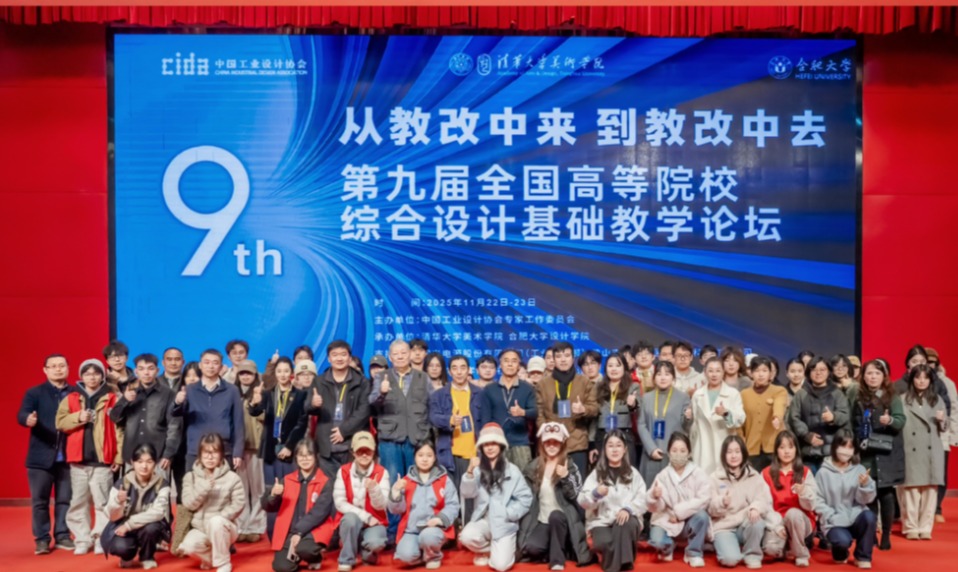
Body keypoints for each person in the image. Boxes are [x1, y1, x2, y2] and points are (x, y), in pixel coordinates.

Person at [55, 358, 123, 555]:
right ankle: (82, 539)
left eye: (96, 373)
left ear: (102, 376)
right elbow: (60, 422)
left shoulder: (112, 398)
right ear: (81, 376)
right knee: (78, 502)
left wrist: (118, 457)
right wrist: (78, 417)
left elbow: (120, 430)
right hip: (78, 461)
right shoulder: (71, 398)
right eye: (87, 374)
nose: (92, 377)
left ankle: (101, 538)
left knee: (102, 503)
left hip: (102, 461)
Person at [368, 339, 431, 540]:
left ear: (410, 354)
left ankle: (416, 527)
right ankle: (394, 531)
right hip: (390, 440)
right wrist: (381, 392)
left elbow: (432, 405)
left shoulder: (423, 377)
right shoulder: (382, 377)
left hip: (416, 438)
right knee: (393, 484)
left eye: (404, 353)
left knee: (416, 483)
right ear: (390, 357)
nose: (400, 357)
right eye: (396, 354)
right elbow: (372, 403)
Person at [19, 354, 76, 554]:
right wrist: (28, 419)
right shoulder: (34, 393)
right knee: (40, 501)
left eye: (62, 365)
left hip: (68, 457)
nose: (58, 369)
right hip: (40, 458)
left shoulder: (76, 393)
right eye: (53, 366)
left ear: (68, 368)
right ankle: (42, 539)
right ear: (45, 370)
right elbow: (22, 414)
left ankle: (62, 535)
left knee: (65, 500)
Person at [248, 356, 309, 539]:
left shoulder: (300, 395)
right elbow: (255, 412)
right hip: (270, 450)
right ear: (275, 373)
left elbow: (301, 423)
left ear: (292, 373)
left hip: (290, 451)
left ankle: (292, 531)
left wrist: (289, 446)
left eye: (286, 371)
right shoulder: (268, 394)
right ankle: (274, 533)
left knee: (291, 490)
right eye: (279, 371)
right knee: (271, 491)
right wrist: (254, 402)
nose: (282, 375)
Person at [460, 423, 534, 571]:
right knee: (466, 536)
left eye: (493, 443)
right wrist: (469, 472)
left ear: (501, 445)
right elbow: (467, 493)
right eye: (486, 444)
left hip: (503, 523)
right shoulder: (477, 470)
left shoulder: (512, 470)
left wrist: (508, 513)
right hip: (483, 521)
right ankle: (488, 550)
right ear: (481, 447)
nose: (490, 448)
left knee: (501, 566)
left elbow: (526, 499)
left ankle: (501, 550)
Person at [518, 422, 591, 570]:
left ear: (562, 444)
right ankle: (556, 549)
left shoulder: (570, 465)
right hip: (542, 520)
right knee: (531, 548)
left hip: (563, 520)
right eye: (548, 442)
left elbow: (577, 496)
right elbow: (526, 497)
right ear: (542, 444)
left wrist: (566, 477)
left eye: (555, 442)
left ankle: (557, 561)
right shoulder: (533, 467)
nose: (551, 446)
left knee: (555, 516)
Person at [850, 359, 904, 549]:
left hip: (886, 451)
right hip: (866, 451)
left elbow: (900, 421)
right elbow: (853, 422)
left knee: (886, 494)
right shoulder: (857, 397)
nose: (873, 377)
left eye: (877, 373)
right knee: (869, 494)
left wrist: (890, 420)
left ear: (884, 376)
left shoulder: (892, 396)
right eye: (869, 373)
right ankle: (871, 533)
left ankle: (886, 535)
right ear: (863, 376)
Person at [578, 430, 647, 572]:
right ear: (604, 449)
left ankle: (616, 566)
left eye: (618, 445)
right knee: (604, 543)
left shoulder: (633, 473)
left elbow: (643, 499)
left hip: (626, 521)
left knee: (625, 524)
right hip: (602, 521)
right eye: (610, 445)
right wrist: (596, 494)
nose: (614, 449)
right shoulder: (596, 473)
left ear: (625, 449)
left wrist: (628, 509)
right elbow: (582, 502)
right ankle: (625, 561)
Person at [262, 439, 336, 572]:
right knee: (281, 567)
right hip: (290, 531)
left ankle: (315, 557)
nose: (305, 459)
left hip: (314, 529)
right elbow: (268, 506)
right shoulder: (287, 479)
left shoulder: (325, 482)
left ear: (316, 456)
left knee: (305, 549)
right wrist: (273, 495)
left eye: (309, 454)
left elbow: (319, 513)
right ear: (296, 457)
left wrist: (299, 532)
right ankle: (296, 556)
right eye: (301, 455)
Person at [178, 433, 246, 572]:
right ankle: (210, 558)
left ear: (221, 455)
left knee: (216, 522)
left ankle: (223, 563)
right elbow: (188, 504)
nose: (210, 457)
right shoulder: (190, 477)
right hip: (200, 528)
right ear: (200, 454)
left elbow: (239, 503)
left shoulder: (232, 478)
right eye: (206, 453)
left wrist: (221, 517)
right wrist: (203, 488)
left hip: (225, 527)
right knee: (187, 546)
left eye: (214, 453)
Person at [387, 441, 459, 570]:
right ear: (415, 457)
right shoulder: (406, 481)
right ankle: (423, 555)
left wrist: (439, 519)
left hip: (434, 529)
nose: (424, 459)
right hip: (412, 530)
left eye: (429, 455)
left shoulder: (444, 480)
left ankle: (433, 556)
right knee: (405, 555)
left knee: (428, 537)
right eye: (420, 455)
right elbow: (396, 510)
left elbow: (453, 505)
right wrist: (396, 492)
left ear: (435, 457)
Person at [110, 354, 182, 480]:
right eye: (141, 369)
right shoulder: (129, 392)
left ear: (157, 370)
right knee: (131, 492)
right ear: (136, 371)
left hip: (158, 457)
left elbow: (174, 426)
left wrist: (168, 454)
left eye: (150, 368)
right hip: (131, 456)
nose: (146, 373)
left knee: (160, 491)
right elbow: (114, 418)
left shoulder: (169, 394)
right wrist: (125, 400)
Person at [100, 443, 171, 570]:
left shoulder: (162, 485)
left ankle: (147, 556)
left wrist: (129, 525)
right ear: (132, 462)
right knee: (120, 547)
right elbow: (111, 516)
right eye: (140, 461)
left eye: (149, 461)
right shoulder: (122, 483)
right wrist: (117, 502)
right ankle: (127, 556)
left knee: (152, 528)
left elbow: (158, 512)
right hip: (123, 526)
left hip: (145, 526)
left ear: (155, 463)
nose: (144, 466)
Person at [171, 349, 245, 470]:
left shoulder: (232, 390)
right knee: (193, 482)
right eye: (206, 362)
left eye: (215, 363)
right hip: (195, 450)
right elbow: (175, 413)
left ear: (221, 366)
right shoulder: (190, 390)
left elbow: (238, 423)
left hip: (224, 451)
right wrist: (178, 402)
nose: (211, 366)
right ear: (200, 365)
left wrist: (238, 452)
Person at [646, 432, 711, 567]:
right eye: (674, 450)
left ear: (689, 453)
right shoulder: (663, 475)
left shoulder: (698, 473)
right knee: (657, 540)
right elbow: (655, 508)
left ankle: (693, 552)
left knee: (702, 516)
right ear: (668, 452)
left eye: (682, 451)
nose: (678, 454)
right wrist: (654, 497)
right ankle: (669, 546)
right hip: (667, 521)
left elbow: (704, 498)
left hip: (689, 521)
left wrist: (679, 513)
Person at [308, 340, 372, 477]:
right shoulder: (319, 381)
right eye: (335, 355)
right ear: (329, 358)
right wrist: (313, 404)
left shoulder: (362, 382)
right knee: (329, 486)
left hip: (352, 444)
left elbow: (364, 410)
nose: (339, 358)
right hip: (327, 446)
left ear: (349, 358)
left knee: (352, 486)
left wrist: (344, 430)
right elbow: (307, 407)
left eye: (343, 354)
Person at [707, 435, 771, 569]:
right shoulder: (714, 477)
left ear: (743, 453)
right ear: (723, 455)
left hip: (744, 523)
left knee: (757, 521)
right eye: (729, 452)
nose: (734, 456)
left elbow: (764, 498)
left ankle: (752, 555)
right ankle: (726, 547)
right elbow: (710, 508)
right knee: (730, 560)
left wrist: (755, 507)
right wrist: (722, 502)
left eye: (737, 451)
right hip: (724, 526)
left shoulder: (753, 475)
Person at [813, 433, 877, 568]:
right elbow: (817, 500)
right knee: (842, 541)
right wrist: (831, 516)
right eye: (843, 446)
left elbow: (866, 500)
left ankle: (862, 556)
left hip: (855, 516)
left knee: (869, 517)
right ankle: (840, 552)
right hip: (834, 521)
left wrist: (865, 485)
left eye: (850, 447)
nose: (846, 451)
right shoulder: (823, 473)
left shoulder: (860, 469)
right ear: (835, 447)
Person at [899, 363, 947, 540]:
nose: (921, 381)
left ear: (930, 380)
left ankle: (926, 527)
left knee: (930, 491)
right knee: (911, 490)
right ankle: (910, 526)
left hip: (932, 449)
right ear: (912, 379)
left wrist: (942, 420)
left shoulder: (937, 399)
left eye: (925, 378)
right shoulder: (903, 399)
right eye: (918, 377)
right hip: (910, 447)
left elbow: (945, 426)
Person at [536, 341, 599, 477]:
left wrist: (583, 409)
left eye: (567, 355)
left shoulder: (584, 382)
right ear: (553, 360)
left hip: (577, 442)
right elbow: (539, 413)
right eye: (558, 356)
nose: (563, 360)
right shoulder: (543, 384)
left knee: (577, 484)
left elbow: (594, 408)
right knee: (552, 485)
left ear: (573, 358)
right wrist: (547, 432)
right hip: (551, 444)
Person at [333, 432, 390, 572]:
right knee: (350, 520)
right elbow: (339, 502)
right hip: (354, 520)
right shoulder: (343, 471)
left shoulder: (382, 472)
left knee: (376, 542)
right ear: (353, 452)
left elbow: (382, 505)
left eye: (368, 451)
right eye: (360, 451)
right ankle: (346, 559)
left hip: (375, 522)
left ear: (374, 451)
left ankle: (364, 551)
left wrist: (374, 489)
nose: (364, 455)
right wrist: (366, 517)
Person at [761, 431, 818, 567]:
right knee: (770, 549)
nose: (787, 451)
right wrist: (776, 526)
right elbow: (764, 505)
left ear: (796, 450)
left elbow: (812, 506)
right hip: (777, 522)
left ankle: (801, 554)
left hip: (800, 521)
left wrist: (804, 492)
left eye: (790, 447)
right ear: (776, 450)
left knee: (793, 514)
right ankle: (786, 547)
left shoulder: (805, 472)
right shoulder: (766, 473)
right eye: (782, 447)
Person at [787, 356, 850, 472]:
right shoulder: (801, 394)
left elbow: (845, 414)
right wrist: (806, 435)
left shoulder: (837, 393)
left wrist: (834, 417)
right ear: (808, 372)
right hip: (807, 452)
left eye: (822, 369)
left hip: (831, 453)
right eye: (814, 369)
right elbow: (794, 418)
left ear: (829, 372)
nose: (818, 373)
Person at [429, 355, 482, 493]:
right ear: (449, 371)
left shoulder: (480, 394)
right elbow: (433, 417)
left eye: (463, 368)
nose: (459, 372)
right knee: (451, 497)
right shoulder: (439, 395)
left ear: (469, 370)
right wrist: (449, 420)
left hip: (474, 455)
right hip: (449, 456)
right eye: (455, 368)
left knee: (472, 497)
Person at [478, 349, 538, 471]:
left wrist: (522, 412)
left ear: (519, 365)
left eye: (514, 361)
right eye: (506, 361)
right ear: (500, 364)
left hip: (520, 443)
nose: (510, 364)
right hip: (496, 443)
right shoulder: (489, 389)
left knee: (524, 477)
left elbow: (536, 412)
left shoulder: (527, 388)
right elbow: (485, 420)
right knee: (496, 478)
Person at [638, 361, 691, 486]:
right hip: (651, 453)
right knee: (651, 490)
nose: (663, 377)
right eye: (659, 374)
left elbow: (686, 427)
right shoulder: (646, 398)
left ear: (673, 377)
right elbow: (641, 424)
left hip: (673, 454)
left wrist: (688, 418)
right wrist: (651, 449)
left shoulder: (683, 397)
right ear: (654, 377)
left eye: (667, 374)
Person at [689, 357, 745, 475]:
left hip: (724, 443)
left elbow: (741, 419)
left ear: (723, 372)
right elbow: (694, 424)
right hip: (702, 446)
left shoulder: (732, 394)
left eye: (718, 371)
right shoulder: (698, 395)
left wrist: (726, 414)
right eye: (710, 371)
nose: (714, 374)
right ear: (705, 372)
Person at [234, 359, 266, 543]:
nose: (245, 376)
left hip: (257, 447)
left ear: (255, 375)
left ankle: (255, 526)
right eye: (242, 373)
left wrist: (257, 403)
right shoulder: (232, 393)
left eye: (249, 373)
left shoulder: (263, 392)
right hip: (238, 449)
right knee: (241, 490)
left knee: (258, 490)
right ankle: (241, 526)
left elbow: (267, 418)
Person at [925, 348, 958, 523]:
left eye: (932, 362)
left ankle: (937, 508)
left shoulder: (946, 383)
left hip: (941, 433)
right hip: (921, 435)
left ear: (937, 363)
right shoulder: (916, 379)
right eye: (926, 361)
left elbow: (954, 409)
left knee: (940, 472)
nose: (929, 365)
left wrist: (953, 435)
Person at [740, 356, 788, 471]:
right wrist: (742, 442)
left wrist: (777, 417)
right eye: (757, 371)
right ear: (751, 373)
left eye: (764, 371)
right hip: (751, 448)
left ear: (771, 374)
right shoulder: (744, 394)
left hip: (774, 447)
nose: (760, 374)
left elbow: (779, 405)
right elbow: (741, 422)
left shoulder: (779, 391)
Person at [593, 353, 641, 470]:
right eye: (610, 366)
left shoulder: (633, 386)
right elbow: (594, 418)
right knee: (603, 473)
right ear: (605, 368)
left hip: (624, 435)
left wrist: (633, 404)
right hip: (602, 436)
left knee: (627, 472)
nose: (614, 369)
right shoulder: (598, 387)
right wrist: (591, 444)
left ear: (624, 367)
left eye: (618, 365)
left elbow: (638, 407)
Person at [170, 362, 201, 504]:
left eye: (196, 375)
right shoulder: (178, 396)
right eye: (188, 376)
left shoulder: (207, 397)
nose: (192, 379)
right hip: (180, 449)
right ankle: (183, 516)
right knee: (182, 486)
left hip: (199, 448)